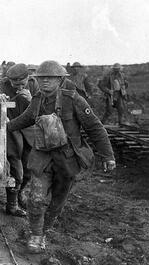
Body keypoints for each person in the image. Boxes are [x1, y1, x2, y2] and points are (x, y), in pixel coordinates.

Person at [6, 60, 116, 253]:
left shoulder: (73, 99)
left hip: (67, 160)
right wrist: (4, 126)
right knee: (36, 198)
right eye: (41, 78)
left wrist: (108, 156)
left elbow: (95, 127)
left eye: (50, 78)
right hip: (42, 158)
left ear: (60, 79)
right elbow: (26, 118)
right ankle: (36, 235)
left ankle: (45, 231)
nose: (45, 81)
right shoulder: (37, 99)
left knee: (57, 201)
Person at [0, 63, 40, 216]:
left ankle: (19, 194)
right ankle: (11, 205)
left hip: (29, 128)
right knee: (16, 166)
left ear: (28, 78)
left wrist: (32, 99)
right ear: (9, 80)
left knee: (29, 168)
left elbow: (45, 107)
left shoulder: (35, 85)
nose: (19, 86)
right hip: (11, 127)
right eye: (15, 84)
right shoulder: (2, 84)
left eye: (22, 83)